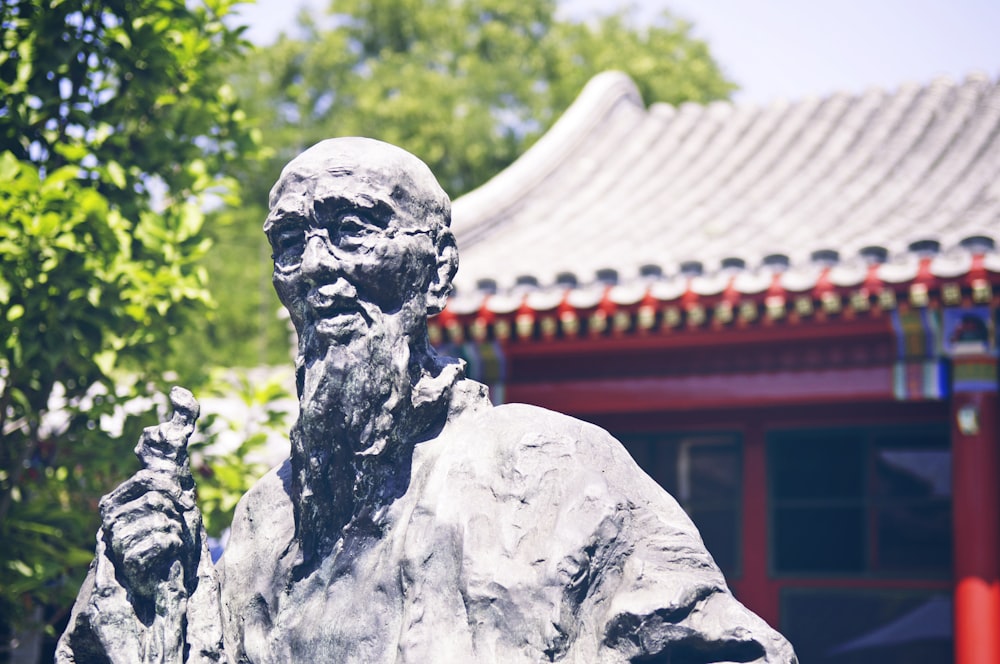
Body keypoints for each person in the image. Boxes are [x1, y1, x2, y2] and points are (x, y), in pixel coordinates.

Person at [58, 138, 797, 663]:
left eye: (352, 230)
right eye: (290, 242)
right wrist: (151, 598)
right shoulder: (262, 522)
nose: (316, 268)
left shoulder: (560, 472)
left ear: (437, 269)